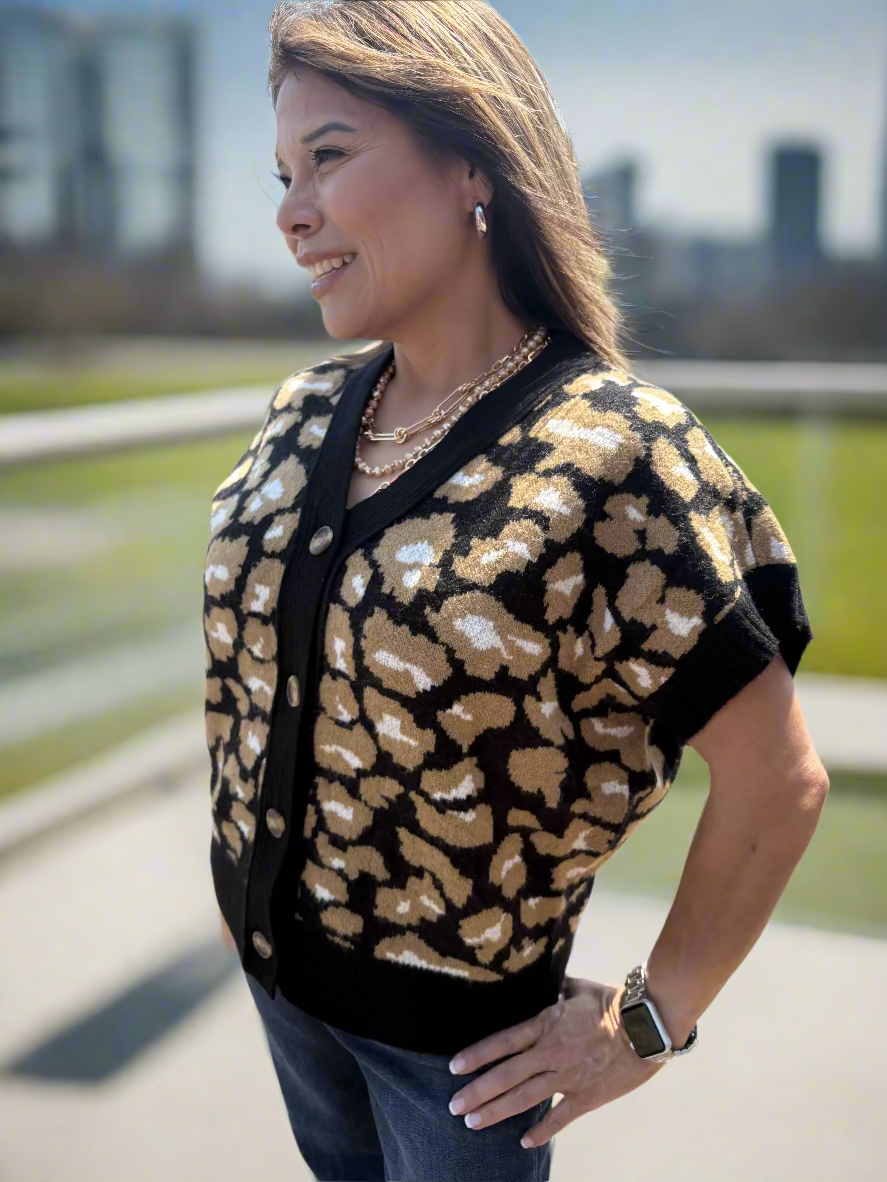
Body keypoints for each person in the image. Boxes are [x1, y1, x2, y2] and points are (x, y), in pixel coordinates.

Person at [205, 3, 829, 1180]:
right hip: (283, 994)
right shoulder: (303, 412)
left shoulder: (611, 453)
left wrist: (650, 1020)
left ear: (472, 164)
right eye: (284, 174)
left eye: (329, 156)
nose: (291, 211)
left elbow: (777, 780)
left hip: (456, 1063)